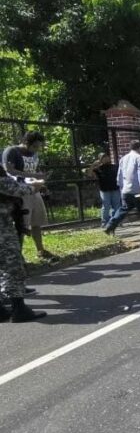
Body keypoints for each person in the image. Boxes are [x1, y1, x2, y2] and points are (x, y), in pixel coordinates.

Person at [0, 165, 47, 322]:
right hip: (2, 231)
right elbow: (20, 189)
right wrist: (37, 184)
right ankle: (18, 308)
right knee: (13, 267)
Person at [2, 131, 56, 262]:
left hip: (33, 189)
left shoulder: (34, 154)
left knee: (37, 222)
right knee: (21, 225)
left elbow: (32, 171)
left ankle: (40, 250)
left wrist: (40, 181)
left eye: (39, 146)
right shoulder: (12, 151)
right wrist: (35, 177)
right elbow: (9, 171)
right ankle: (18, 256)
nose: (37, 149)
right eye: (35, 146)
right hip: (18, 192)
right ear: (26, 142)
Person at [103, 141, 140, 238]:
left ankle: (109, 227)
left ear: (130, 148)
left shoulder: (123, 159)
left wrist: (121, 188)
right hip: (138, 191)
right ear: (139, 147)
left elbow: (119, 175)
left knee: (122, 210)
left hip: (126, 190)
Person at [87, 153, 120, 227]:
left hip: (115, 189)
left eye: (107, 157)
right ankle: (105, 222)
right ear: (100, 160)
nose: (106, 158)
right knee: (106, 206)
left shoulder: (115, 167)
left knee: (116, 206)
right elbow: (89, 174)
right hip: (104, 190)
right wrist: (93, 165)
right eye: (103, 158)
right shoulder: (98, 169)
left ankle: (115, 221)